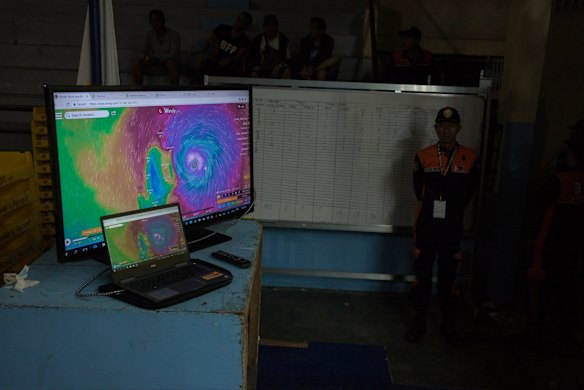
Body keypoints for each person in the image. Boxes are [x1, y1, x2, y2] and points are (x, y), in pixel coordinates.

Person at [406, 107, 479, 347]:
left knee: (449, 279)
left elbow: (470, 192)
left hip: (451, 230)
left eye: (451, 125)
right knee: (423, 277)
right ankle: (419, 322)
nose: (446, 129)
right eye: (441, 125)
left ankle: (448, 324)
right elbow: (419, 191)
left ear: (458, 128)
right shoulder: (423, 156)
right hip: (427, 227)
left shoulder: (470, 157)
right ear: (436, 128)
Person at [524, 120, 584, 354]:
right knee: (567, 290)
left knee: (540, 290)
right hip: (574, 248)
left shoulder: (560, 180)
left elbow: (536, 203)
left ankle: (536, 333)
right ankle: (563, 335)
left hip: (551, 245)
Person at [194, 12, 253, 82]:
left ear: (246, 25)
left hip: (228, 66)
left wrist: (229, 60)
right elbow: (209, 42)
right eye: (238, 19)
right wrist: (200, 54)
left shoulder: (245, 40)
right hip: (215, 60)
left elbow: (238, 56)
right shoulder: (222, 28)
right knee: (201, 65)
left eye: (242, 21)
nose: (238, 22)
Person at [133, 9, 181, 85]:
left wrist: (157, 58)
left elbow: (174, 54)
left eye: (158, 21)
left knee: (171, 63)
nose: (155, 24)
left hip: (168, 60)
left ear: (163, 21)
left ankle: (175, 89)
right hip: (153, 60)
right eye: (152, 22)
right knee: (136, 62)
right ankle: (138, 89)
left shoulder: (173, 35)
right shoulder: (148, 35)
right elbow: (142, 52)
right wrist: (146, 58)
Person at [249, 15, 292, 79]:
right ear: (264, 27)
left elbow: (288, 59)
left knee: (286, 72)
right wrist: (255, 66)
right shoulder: (257, 39)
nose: (270, 28)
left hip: (278, 68)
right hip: (261, 68)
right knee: (253, 73)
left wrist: (279, 67)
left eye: (272, 25)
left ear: (276, 27)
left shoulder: (283, 40)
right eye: (267, 25)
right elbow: (252, 56)